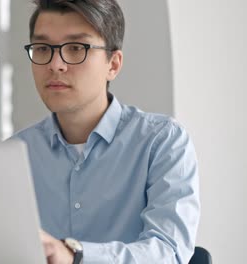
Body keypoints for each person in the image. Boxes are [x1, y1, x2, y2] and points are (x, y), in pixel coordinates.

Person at [12, 0, 200, 263]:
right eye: (43, 48)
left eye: (76, 48)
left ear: (113, 64)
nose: (55, 64)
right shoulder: (14, 154)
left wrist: (76, 256)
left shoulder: (162, 141)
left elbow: (168, 252)